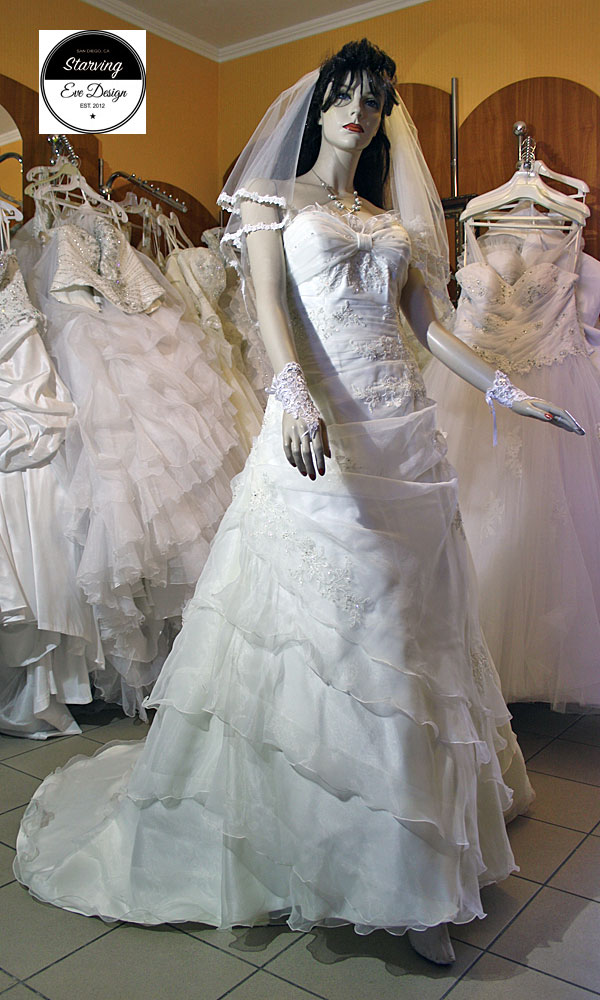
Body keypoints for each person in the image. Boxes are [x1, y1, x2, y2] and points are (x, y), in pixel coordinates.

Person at [14, 39, 582, 967]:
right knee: (342, 646)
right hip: (321, 437)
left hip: (405, 439)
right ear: (318, 107)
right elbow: (272, 306)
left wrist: (503, 388)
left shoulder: (385, 217)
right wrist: (291, 394)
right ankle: (386, 876)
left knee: (415, 641)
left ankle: (419, 857)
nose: (359, 109)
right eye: (345, 94)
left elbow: (428, 327)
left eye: (375, 99)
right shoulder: (269, 199)